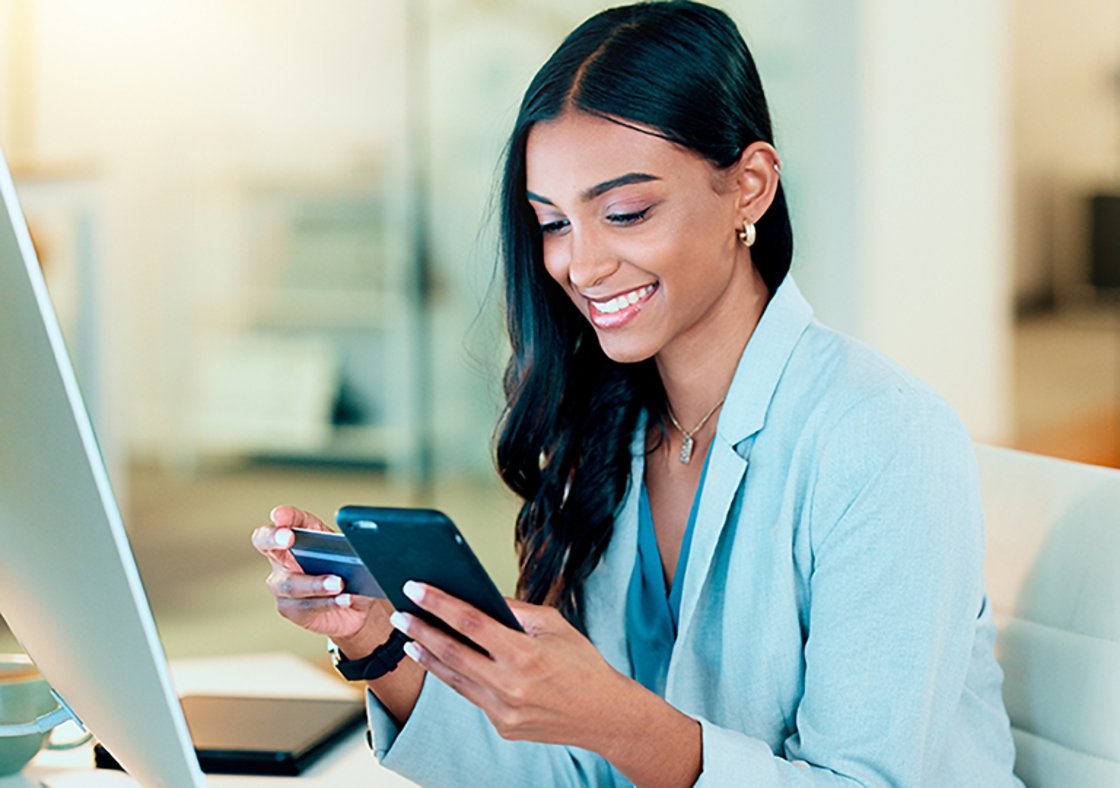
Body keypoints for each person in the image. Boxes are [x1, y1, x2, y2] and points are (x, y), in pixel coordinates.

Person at [251, 2, 1021, 785]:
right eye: (553, 224)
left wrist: (614, 716)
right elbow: (577, 771)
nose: (580, 267)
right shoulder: (612, 426)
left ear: (749, 187)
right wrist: (378, 646)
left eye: (624, 212)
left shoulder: (881, 437)